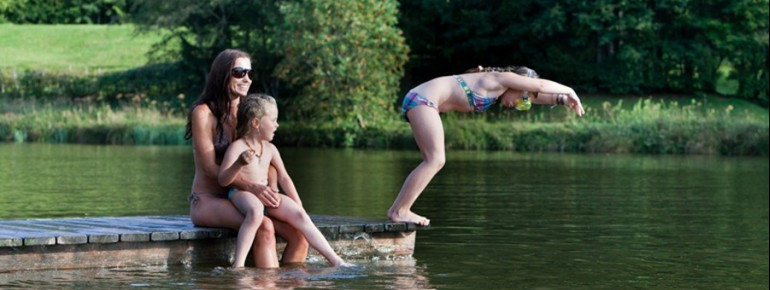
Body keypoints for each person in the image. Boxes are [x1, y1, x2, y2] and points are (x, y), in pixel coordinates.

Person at [388, 65, 586, 226]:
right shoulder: (501, 78)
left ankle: (398, 210)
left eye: (524, 103)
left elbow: (536, 95)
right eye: (521, 99)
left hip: (422, 100)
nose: (519, 104)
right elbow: (540, 86)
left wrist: (562, 99)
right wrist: (570, 90)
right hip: (424, 100)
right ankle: (399, 211)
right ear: (517, 85)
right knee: (436, 160)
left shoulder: (501, 89)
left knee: (432, 160)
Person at [185, 48, 309, 268]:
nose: (247, 79)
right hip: (210, 198)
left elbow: (266, 154)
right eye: (240, 72)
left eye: (250, 73)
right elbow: (209, 169)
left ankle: (289, 283)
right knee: (264, 226)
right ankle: (265, 283)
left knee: (300, 236)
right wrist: (253, 187)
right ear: (222, 74)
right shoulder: (203, 113)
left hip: (248, 197)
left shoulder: (248, 110)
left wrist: (270, 185)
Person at [218, 93, 354, 268]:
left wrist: (298, 204)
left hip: (267, 194)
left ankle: (336, 260)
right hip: (241, 194)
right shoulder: (237, 147)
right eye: (273, 120)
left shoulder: (271, 149)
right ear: (256, 123)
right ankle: (238, 265)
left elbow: (284, 176)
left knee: (299, 215)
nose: (277, 125)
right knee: (256, 211)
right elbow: (223, 179)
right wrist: (239, 163)